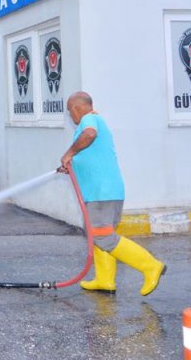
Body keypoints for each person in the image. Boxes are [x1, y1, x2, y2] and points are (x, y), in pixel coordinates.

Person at [60, 91, 165, 296]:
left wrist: (70, 153)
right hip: (105, 191)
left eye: (69, 111)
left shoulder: (89, 119)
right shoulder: (94, 120)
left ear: (76, 108)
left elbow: (89, 134)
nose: (69, 116)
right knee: (98, 233)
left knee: (101, 234)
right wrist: (74, 162)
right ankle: (105, 279)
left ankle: (151, 266)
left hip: (102, 192)